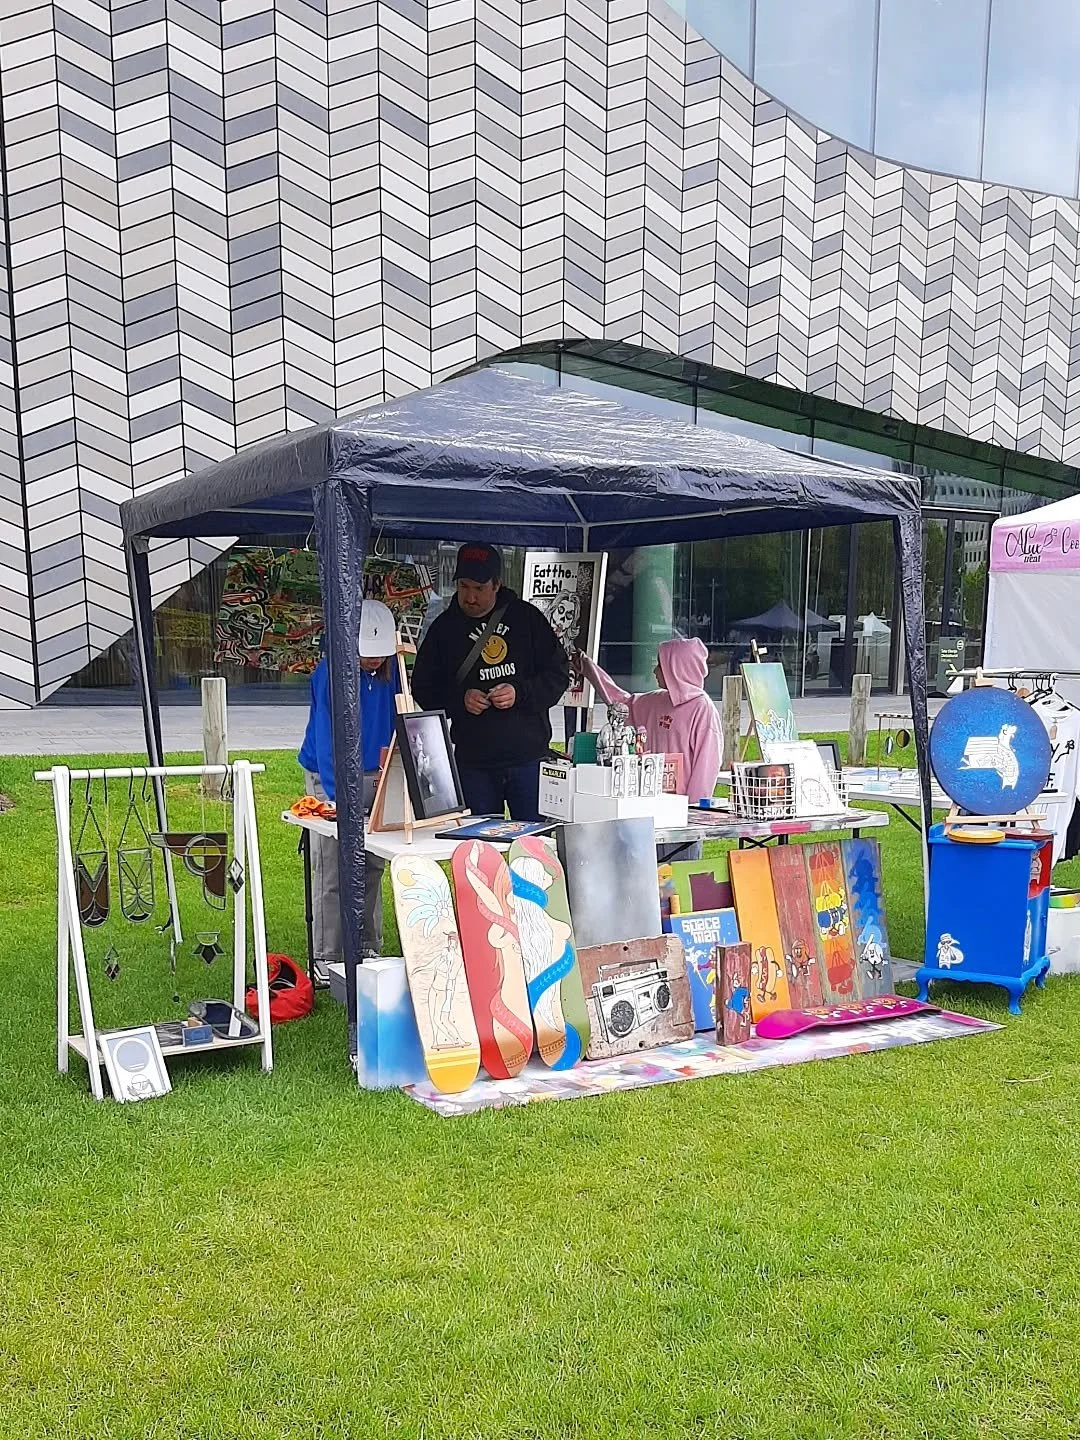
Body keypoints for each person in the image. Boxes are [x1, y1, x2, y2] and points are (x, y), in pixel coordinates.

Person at [411, 542, 569, 820]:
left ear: (496, 584)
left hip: (528, 759)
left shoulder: (526, 619)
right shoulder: (444, 629)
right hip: (474, 763)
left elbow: (557, 675)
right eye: (464, 587)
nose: (470, 597)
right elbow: (423, 687)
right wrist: (460, 700)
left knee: (536, 846)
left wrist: (520, 693)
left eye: (479, 588)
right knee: (477, 851)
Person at [298, 599, 398, 972]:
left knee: (372, 862)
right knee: (332, 864)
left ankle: (367, 943)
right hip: (331, 775)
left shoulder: (394, 673)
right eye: (365, 654)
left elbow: (400, 719)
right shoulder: (329, 674)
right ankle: (328, 953)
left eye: (379, 654)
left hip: (376, 773)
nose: (372, 661)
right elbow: (327, 737)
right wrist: (337, 795)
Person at [575, 637, 722, 802]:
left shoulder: (703, 710)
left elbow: (706, 768)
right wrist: (589, 669)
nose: (655, 671)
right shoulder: (655, 701)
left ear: (677, 668)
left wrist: (691, 810)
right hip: (649, 801)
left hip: (681, 809)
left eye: (661, 665)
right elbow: (619, 702)